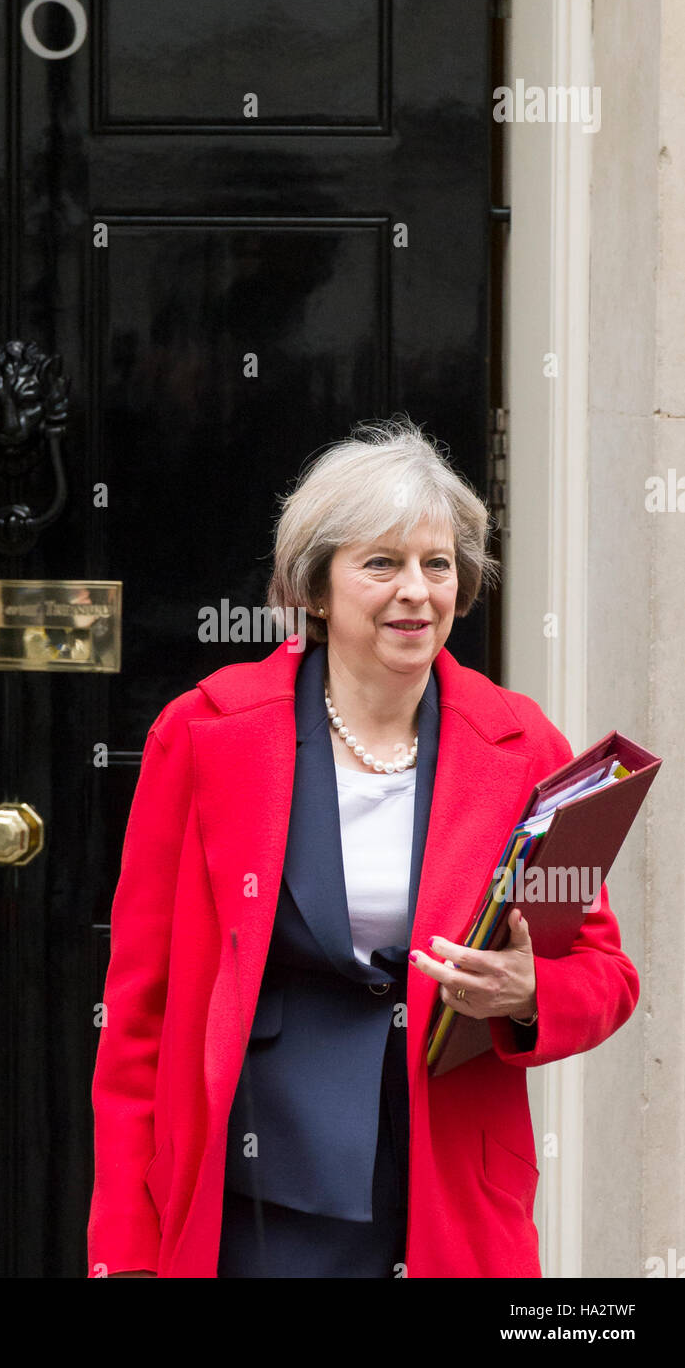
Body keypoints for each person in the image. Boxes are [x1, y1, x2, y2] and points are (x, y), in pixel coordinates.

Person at [86, 417, 639, 1278]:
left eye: (437, 564)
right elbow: (139, 1016)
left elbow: (604, 975)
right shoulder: (203, 734)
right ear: (315, 586)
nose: (414, 591)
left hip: (450, 1180)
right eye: (380, 563)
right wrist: (123, 1251)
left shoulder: (521, 744)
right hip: (258, 1184)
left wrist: (529, 992)